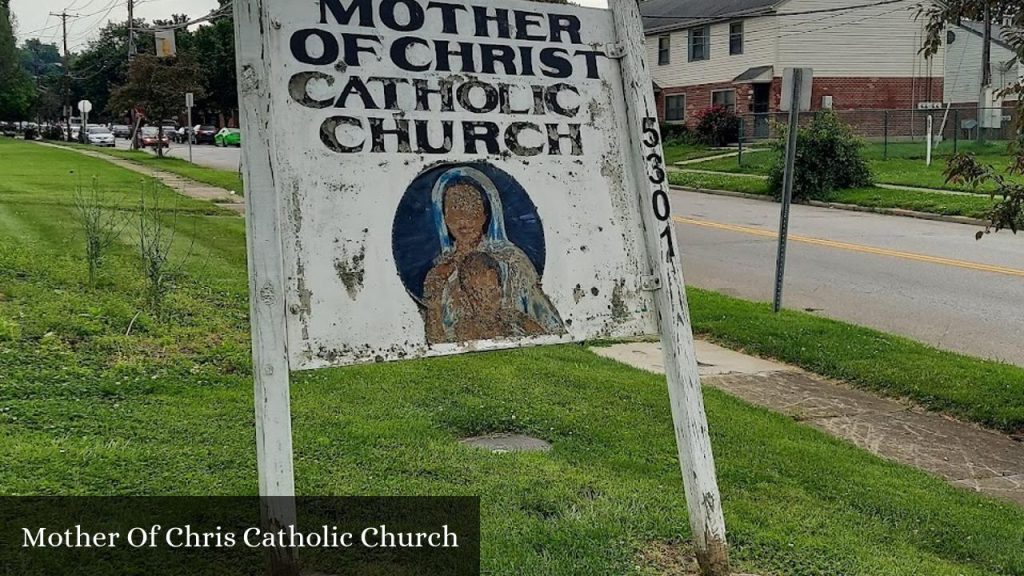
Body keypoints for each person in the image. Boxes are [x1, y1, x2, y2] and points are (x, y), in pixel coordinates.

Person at [421, 166, 563, 344]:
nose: (463, 218)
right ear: (444, 216)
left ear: (485, 214)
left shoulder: (512, 261)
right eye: (455, 207)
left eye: (472, 206)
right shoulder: (439, 273)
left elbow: (549, 325)